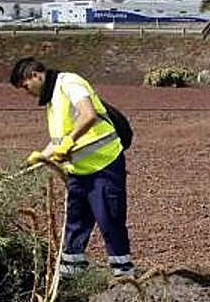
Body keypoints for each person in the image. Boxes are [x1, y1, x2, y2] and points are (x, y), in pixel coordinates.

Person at [10, 57, 135, 281]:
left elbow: (88, 114)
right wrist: (41, 157)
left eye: (25, 86)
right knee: (75, 223)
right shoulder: (51, 101)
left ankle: (124, 274)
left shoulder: (69, 83)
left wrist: (70, 141)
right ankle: (70, 274)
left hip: (104, 166)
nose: (26, 92)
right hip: (78, 171)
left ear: (35, 75)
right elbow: (60, 140)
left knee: (109, 219)